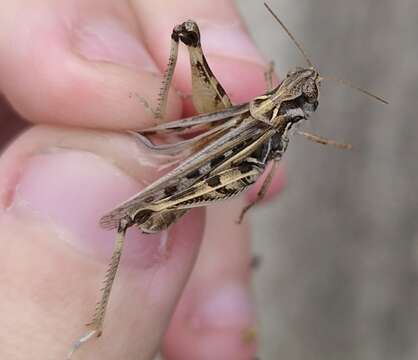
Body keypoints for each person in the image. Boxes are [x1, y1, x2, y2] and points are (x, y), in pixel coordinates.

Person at [0, 1, 284, 358]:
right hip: (206, 160)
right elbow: (261, 171)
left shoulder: (274, 118)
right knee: (188, 34)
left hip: (216, 155)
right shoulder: (274, 121)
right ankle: (97, 323)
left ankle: (158, 118)